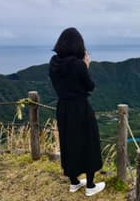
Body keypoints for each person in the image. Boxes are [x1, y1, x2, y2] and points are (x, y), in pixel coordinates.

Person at [49, 27, 105, 197]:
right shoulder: (78, 65)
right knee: (88, 143)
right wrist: (86, 66)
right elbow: (90, 86)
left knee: (68, 143)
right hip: (80, 108)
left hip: (63, 108)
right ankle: (90, 185)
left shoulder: (53, 62)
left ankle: (73, 182)